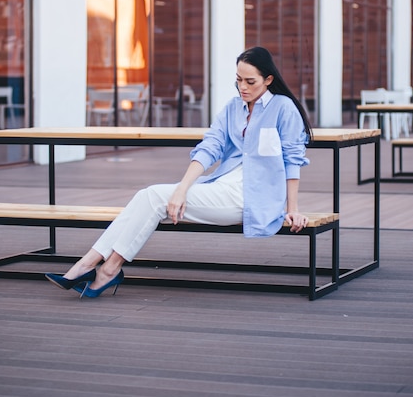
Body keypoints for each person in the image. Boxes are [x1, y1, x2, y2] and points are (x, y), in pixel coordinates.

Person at [45, 46, 312, 298]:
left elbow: (292, 160)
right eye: (238, 80)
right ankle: (102, 268)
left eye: (250, 82)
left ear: (267, 79)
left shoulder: (283, 108)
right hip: (222, 187)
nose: (242, 87)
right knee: (147, 196)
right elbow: (209, 148)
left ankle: (95, 267)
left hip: (254, 198)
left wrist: (294, 208)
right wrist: (182, 189)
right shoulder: (233, 108)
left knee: (153, 196)